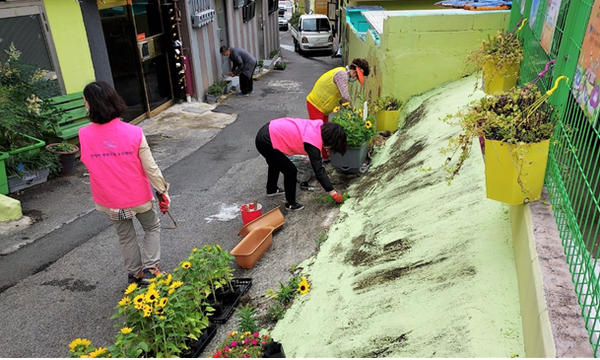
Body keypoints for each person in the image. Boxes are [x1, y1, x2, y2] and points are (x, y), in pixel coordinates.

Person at [79, 81, 170, 286]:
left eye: (85, 101)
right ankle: (151, 269)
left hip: (109, 199)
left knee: (125, 236)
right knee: (152, 227)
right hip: (137, 196)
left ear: (91, 105)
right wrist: (162, 191)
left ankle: (134, 274)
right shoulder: (133, 133)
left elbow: (90, 164)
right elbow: (150, 167)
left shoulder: (84, 135)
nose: (84, 105)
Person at [255, 118, 346, 211]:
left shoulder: (317, 127)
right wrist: (333, 193)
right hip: (265, 141)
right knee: (290, 171)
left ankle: (272, 189)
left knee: (275, 162)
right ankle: (290, 204)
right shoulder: (313, 141)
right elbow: (319, 170)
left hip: (268, 130)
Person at [306, 58, 370, 160]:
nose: (355, 78)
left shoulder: (343, 75)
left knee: (324, 133)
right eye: (356, 75)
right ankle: (317, 159)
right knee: (318, 134)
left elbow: (340, 98)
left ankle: (325, 156)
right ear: (354, 70)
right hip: (316, 105)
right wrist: (353, 111)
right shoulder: (341, 75)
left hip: (323, 108)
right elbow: (345, 96)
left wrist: (347, 109)